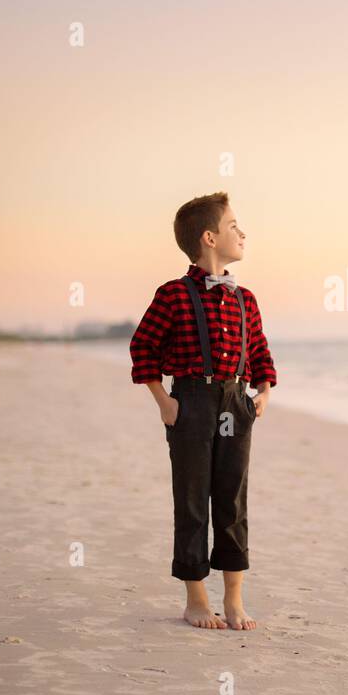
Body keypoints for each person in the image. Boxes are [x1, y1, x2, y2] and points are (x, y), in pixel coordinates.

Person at [129, 192, 276, 630]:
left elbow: (261, 352)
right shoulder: (173, 294)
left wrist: (262, 393)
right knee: (192, 502)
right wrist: (164, 402)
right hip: (190, 403)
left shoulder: (245, 298)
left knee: (232, 501)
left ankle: (233, 599)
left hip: (235, 402)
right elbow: (143, 347)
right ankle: (196, 599)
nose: (243, 232)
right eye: (234, 226)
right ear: (210, 238)